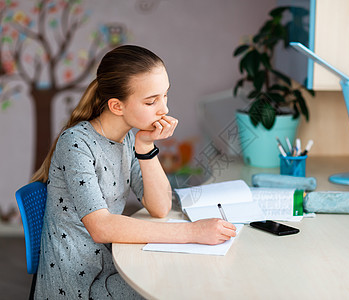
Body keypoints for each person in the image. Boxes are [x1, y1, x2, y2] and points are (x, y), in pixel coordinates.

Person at [31, 45, 237, 299]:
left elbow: (160, 207)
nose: (164, 109)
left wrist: (146, 146)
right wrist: (193, 232)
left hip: (110, 266)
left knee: (185, 277)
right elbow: (101, 227)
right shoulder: (76, 143)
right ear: (117, 106)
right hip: (80, 285)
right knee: (177, 287)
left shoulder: (128, 138)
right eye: (151, 101)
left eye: (165, 96)